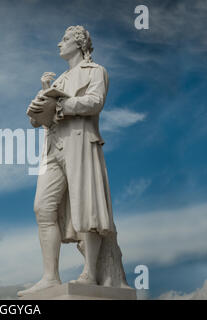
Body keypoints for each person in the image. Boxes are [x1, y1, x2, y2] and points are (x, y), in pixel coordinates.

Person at [18, 26, 129, 297]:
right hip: (53, 147)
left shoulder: (95, 71)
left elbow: (95, 102)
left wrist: (61, 105)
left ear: (79, 44)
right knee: (42, 208)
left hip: (80, 142)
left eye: (65, 39)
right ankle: (49, 276)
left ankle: (90, 271)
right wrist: (39, 106)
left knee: (85, 205)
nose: (59, 43)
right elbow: (39, 120)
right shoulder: (58, 80)